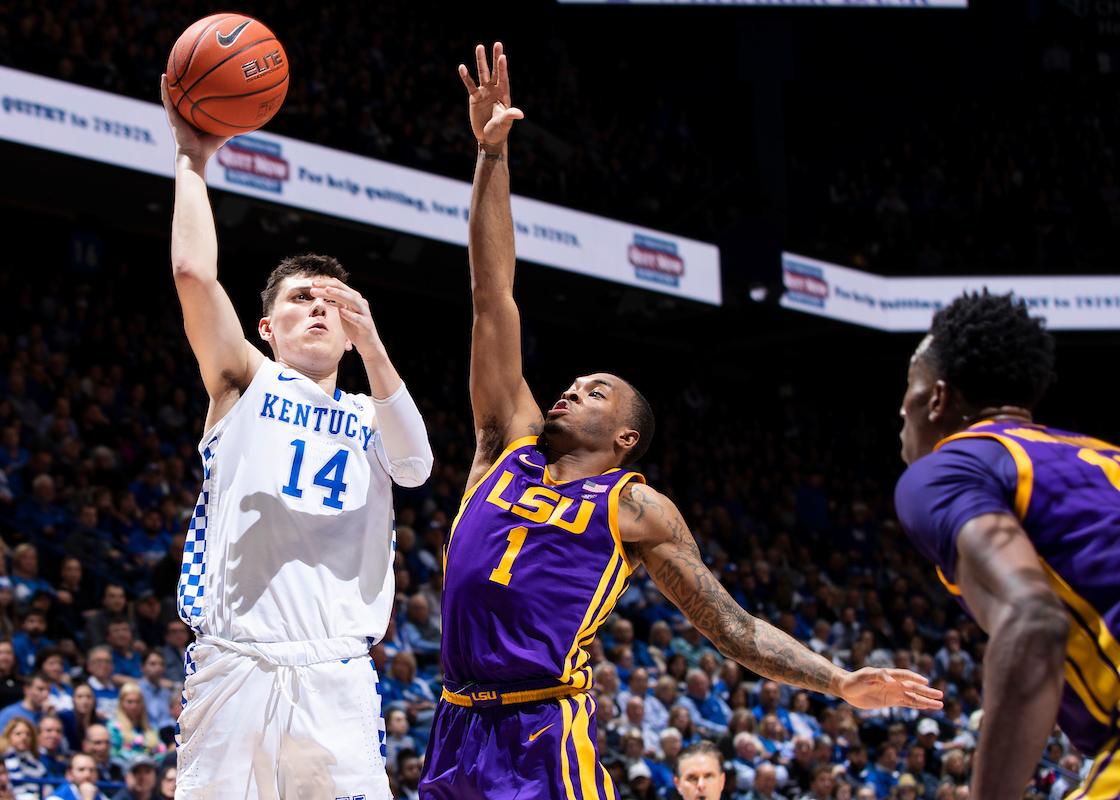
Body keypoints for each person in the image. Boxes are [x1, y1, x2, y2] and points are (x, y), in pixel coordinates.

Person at [419, 43, 941, 800]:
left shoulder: (635, 507)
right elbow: (492, 294)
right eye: (571, 383)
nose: (568, 391)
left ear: (626, 437)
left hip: (539, 734)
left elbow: (731, 627)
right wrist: (490, 155)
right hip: (454, 728)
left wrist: (837, 681)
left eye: (594, 392)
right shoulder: (506, 446)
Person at [159, 65, 433, 800]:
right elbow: (191, 271)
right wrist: (192, 157)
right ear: (265, 327)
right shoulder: (245, 381)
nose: (317, 308)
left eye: (330, 302)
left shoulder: (374, 414)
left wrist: (373, 344)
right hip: (234, 666)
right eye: (298, 300)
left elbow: (417, 469)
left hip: (336, 677)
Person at [892, 292, 1120, 800]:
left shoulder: (948, 467)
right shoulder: (1104, 455)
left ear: (937, 400)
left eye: (909, 388)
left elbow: (1033, 619)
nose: (899, 409)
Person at [105, 684, 165, 764]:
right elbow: (113, 753)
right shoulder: (114, 727)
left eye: (137, 702)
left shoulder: (151, 729)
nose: (134, 706)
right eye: (129, 702)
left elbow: (161, 752)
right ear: (122, 703)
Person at [0, 718, 45, 798]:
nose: (24, 737)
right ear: (9, 735)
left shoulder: (38, 763)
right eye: (18, 734)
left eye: (28, 734)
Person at [135, 651, 173, 734]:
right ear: (142, 667)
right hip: (145, 734)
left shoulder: (167, 693)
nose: (158, 668)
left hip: (169, 733)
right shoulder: (136, 692)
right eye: (153, 664)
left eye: (161, 664)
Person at [11, 612, 55, 677]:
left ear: (46, 626)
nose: (36, 625)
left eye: (40, 622)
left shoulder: (49, 645)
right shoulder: (15, 642)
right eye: (31, 621)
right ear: (23, 624)